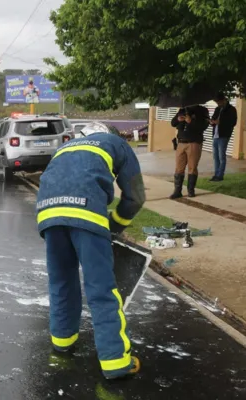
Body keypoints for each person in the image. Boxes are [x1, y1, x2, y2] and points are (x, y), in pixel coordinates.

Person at [36, 122, 145, 380]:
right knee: (101, 289)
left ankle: (63, 342)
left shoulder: (64, 148)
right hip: (86, 212)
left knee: (62, 282)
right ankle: (116, 361)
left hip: (49, 215)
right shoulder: (117, 144)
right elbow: (136, 197)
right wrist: (114, 226)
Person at [170, 105, 209, 198]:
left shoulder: (202, 110)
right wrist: (178, 119)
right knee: (179, 168)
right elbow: (173, 123)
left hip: (194, 142)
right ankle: (177, 191)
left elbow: (204, 126)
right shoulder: (182, 109)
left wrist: (190, 121)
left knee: (192, 167)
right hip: (181, 143)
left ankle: (191, 190)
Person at [209, 93, 238, 181]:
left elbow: (233, 122)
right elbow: (213, 118)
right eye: (217, 102)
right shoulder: (217, 109)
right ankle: (216, 174)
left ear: (224, 100)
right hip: (216, 135)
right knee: (215, 156)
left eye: (219, 102)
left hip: (224, 135)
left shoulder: (231, 109)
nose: (218, 104)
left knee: (221, 156)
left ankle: (220, 175)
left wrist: (220, 123)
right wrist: (212, 122)